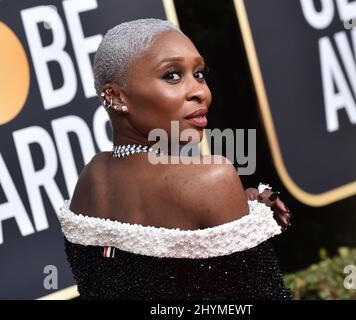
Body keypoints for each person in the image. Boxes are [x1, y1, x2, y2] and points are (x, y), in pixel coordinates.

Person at [57, 18, 292, 300]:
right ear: (116, 96)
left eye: (200, 74)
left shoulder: (91, 179)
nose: (200, 92)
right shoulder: (212, 177)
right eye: (172, 75)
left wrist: (241, 210)